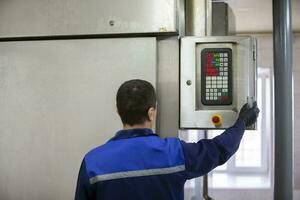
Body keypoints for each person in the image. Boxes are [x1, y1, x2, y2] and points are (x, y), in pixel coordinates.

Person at [75, 79, 259, 200]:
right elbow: (219, 150)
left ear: (118, 111)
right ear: (151, 113)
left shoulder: (93, 161)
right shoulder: (174, 153)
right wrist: (241, 122)